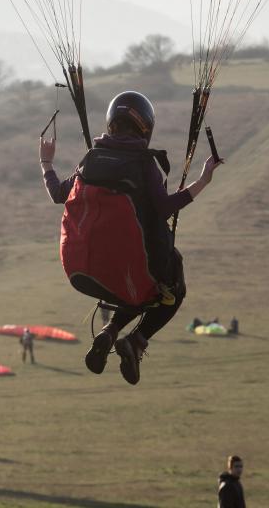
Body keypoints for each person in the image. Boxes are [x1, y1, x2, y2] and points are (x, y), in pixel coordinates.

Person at [41, 91, 222, 385]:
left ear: (112, 123)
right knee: (168, 285)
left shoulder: (90, 159)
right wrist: (203, 181)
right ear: (145, 128)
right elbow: (164, 208)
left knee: (137, 279)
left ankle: (110, 332)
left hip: (82, 274)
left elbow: (57, 194)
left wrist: (46, 162)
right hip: (127, 273)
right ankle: (135, 341)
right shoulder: (144, 164)